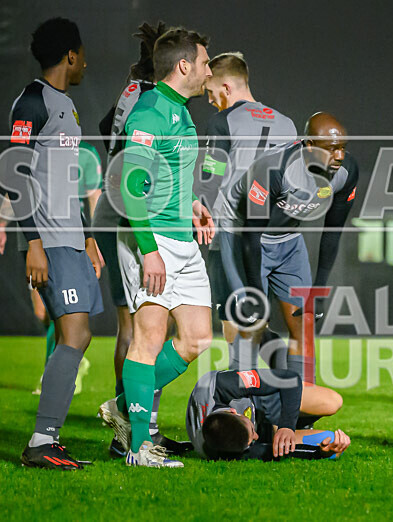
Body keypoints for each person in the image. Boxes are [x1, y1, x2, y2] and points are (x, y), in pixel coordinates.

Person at [99, 27, 215, 468]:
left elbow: (168, 179)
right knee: (147, 340)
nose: (208, 70)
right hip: (151, 242)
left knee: (197, 338)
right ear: (184, 65)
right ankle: (138, 449)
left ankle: (124, 405)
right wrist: (148, 251)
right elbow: (131, 189)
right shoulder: (149, 113)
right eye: (205, 62)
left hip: (181, 239)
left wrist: (193, 207)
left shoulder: (181, 112)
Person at [5, 17, 103, 470]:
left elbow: (65, 180)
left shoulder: (67, 106)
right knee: (75, 334)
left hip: (71, 239)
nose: (85, 62)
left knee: (78, 336)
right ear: (70, 55)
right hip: (50, 241)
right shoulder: (32, 101)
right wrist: (33, 243)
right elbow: (15, 172)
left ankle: (48, 439)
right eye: (82, 54)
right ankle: (43, 440)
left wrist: (88, 238)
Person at [93, 21, 185, 458]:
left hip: (117, 211)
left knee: (132, 326)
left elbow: (107, 136)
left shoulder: (131, 94)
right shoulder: (154, 102)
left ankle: (132, 423)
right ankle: (130, 425)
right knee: (148, 326)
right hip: (135, 215)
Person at [229, 112, 358, 385]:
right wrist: (255, 293)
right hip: (248, 237)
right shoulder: (274, 169)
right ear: (308, 146)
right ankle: (240, 410)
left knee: (304, 324)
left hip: (289, 240)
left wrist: (318, 289)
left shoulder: (346, 174)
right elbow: (251, 233)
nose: (339, 156)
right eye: (331, 149)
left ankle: (301, 406)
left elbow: (332, 232)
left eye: (343, 147)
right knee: (251, 324)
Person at [196, 51, 297, 371]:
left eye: (211, 93)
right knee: (257, 317)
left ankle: (242, 402)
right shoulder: (287, 123)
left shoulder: (222, 121)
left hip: (232, 235)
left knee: (233, 323)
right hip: (276, 238)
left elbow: (210, 177)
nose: (211, 101)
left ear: (226, 87)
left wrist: (199, 210)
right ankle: (282, 386)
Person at [186, 368, 350, 461]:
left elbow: (289, 378)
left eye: (252, 431)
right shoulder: (223, 449)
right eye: (251, 442)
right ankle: (293, 427)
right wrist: (321, 453)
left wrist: (287, 426)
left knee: (332, 402)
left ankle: (294, 423)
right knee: (333, 443)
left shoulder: (224, 384)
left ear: (234, 412)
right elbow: (268, 452)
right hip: (265, 426)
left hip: (263, 399)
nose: (256, 437)